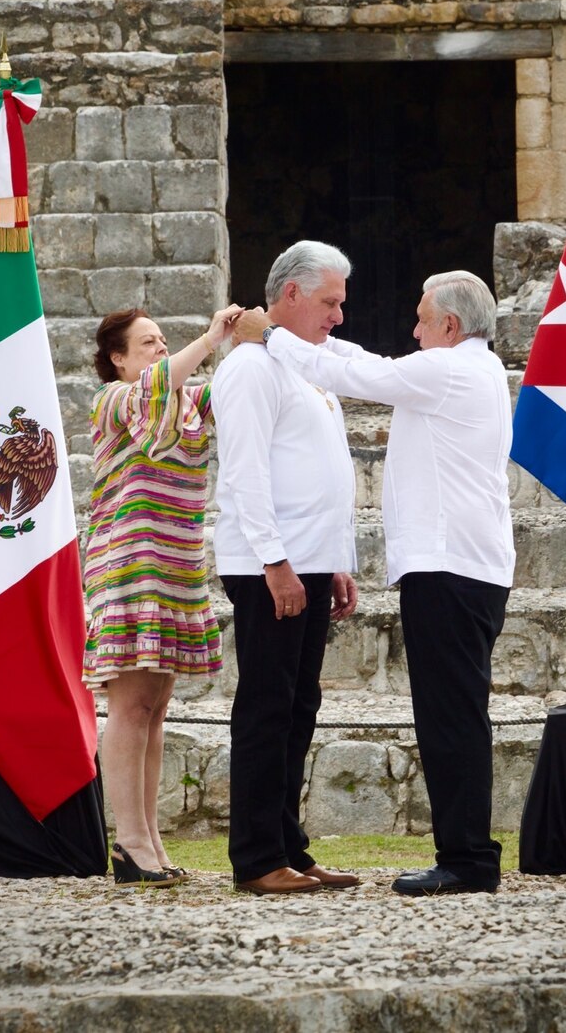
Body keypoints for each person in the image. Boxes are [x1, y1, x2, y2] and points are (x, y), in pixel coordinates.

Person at [234, 271, 515, 896]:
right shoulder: (473, 368)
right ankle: (466, 854)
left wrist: (272, 334)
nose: (412, 332)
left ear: (449, 325)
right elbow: (369, 363)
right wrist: (299, 340)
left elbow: (361, 376)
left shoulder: (450, 371)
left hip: (450, 568)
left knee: (450, 717)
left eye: (420, 320)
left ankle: (467, 861)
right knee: (453, 712)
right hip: (465, 567)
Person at [212, 241, 361, 895]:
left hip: (310, 563)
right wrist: (274, 561)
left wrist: (337, 562)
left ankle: (290, 849)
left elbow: (327, 472)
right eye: (329, 302)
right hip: (268, 566)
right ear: (292, 294)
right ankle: (255, 857)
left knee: (300, 706)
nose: (337, 316)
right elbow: (244, 473)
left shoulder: (309, 367)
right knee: (268, 708)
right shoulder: (250, 367)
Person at [83, 303, 241, 886]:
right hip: (128, 567)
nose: (158, 348)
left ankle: (148, 838)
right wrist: (209, 337)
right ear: (117, 358)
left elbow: (229, 390)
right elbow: (158, 381)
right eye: (145, 342)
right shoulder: (113, 400)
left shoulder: (187, 403)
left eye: (160, 339)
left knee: (155, 708)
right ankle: (128, 843)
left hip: (176, 569)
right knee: (130, 707)